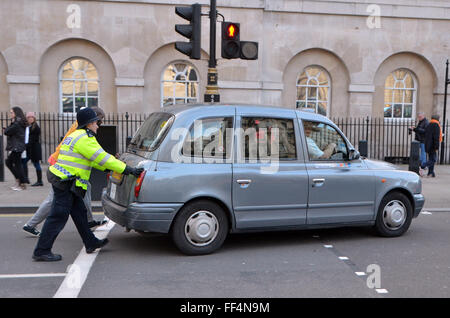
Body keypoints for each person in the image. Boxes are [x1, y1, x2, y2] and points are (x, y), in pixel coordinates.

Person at [32, 107, 143, 261]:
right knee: (58, 217)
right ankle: (42, 250)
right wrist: (128, 169)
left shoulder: (75, 135)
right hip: (65, 182)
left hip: (65, 180)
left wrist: (105, 168)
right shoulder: (85, 139)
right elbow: (103, 158)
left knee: (79, 213)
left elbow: (91, 159)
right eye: (97, 122)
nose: (98, 125)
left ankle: (90, 242)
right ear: (89, 124)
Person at [23, 107, 107, 237]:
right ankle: (30, 225)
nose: (99, 124)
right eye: (99, 121)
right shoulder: (82, 128)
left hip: (60, 160)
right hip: (61, 164)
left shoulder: (80, 124)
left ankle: (89, 221)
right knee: (53, 199)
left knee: (86, 187)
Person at [4, 106, 27, 191]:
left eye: (12, 112)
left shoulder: (17, 123)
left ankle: (22, 183)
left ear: (16, 113)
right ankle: (19, 181)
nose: (10, 114)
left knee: (16, 165)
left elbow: (7, 132)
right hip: (17, 146)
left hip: (17, 147)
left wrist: (7, 129)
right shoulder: (17, 122)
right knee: (10, 162)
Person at [22, 112, 43, 186]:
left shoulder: (36, 127)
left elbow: (32, 140)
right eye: (28, 117)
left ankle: (40, 181)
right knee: (23, 162)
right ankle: (26, 178)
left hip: (34, 149)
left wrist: (25, 145)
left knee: (36, 164)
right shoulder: (27, 127)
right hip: (29, 149)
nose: (30, 118)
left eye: (31, 117)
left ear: (34, 118)